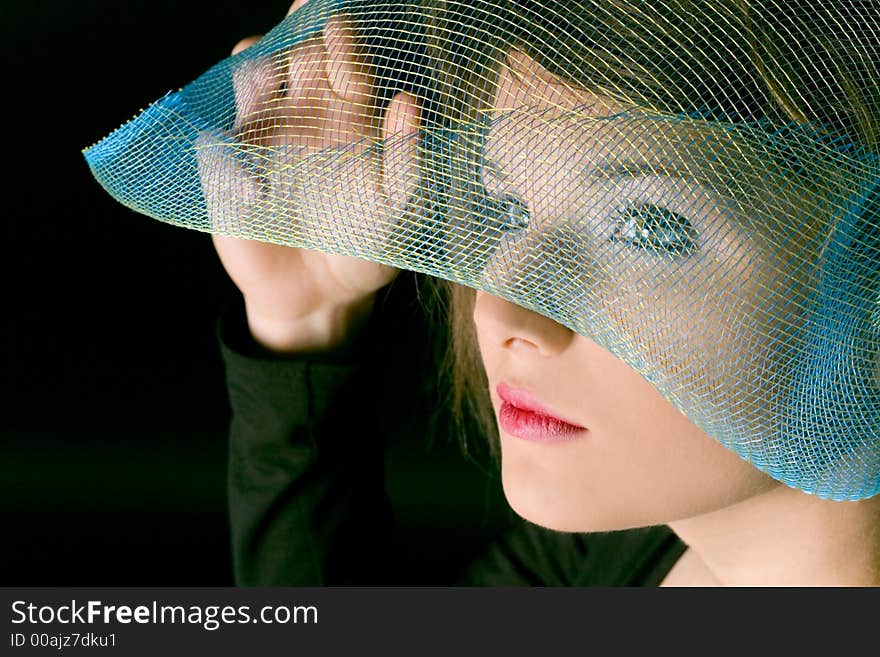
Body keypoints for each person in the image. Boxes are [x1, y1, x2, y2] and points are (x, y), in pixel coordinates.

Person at [206, 0, 880, 585]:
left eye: (646, 226)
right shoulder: (627, 552)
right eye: (509, 209)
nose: (500, 307)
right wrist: (302, 318)